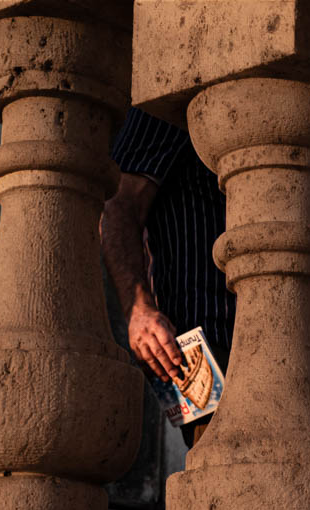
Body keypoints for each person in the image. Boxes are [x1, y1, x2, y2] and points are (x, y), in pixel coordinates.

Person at [101, 107, 234, 448]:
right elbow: (118, 204)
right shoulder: (169, 106)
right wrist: (138, 310)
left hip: (268, 334)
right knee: (220, 462)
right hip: (198, 346)